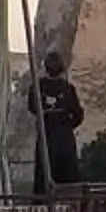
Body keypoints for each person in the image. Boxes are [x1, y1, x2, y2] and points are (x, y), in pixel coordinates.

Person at [29, 50, 84, 189]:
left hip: (46, 136)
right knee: (67, 184)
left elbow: (32, 108)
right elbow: (78, 115)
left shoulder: (37, 87)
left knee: (44, 180)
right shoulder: (68, 89)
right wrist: (66, 126)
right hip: (64, 139)